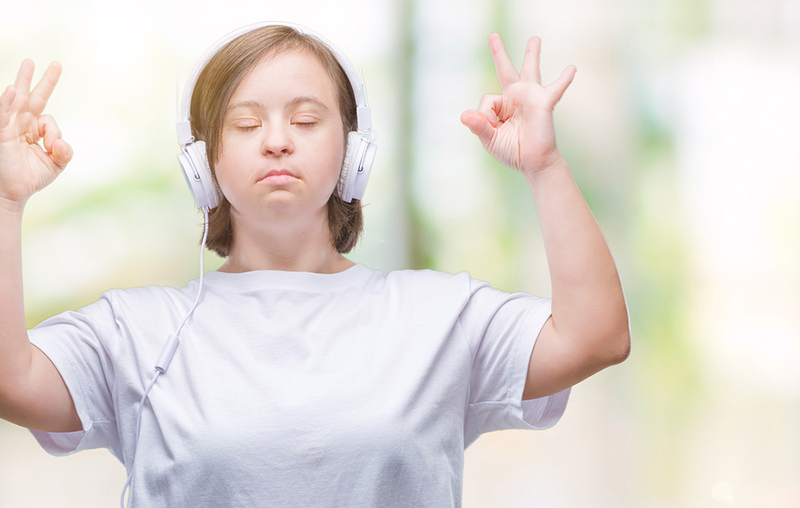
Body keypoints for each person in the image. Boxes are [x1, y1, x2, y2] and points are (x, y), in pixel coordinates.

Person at [0, 22, 630, 507]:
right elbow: (12, 381)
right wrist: (5, 200)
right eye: (245, 123)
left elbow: (596, 337)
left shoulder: (439, 316)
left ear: (353, 151)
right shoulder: (136, 331)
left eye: (305, 119)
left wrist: (544, 167)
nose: (277, 139)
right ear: (203, 164)